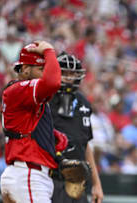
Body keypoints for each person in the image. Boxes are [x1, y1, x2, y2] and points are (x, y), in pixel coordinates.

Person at [0, 41, 68, 203]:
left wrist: (50, 138)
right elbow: (53, 82)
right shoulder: (19, 88)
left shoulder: (25, 96)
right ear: (24, 70)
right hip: (28, 176)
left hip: (26, 175)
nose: (45, 73)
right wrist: (49, 50)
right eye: (40, 69)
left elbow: (25, 127)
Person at [49, 52, 104, 203]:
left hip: (78, 182)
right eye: (64, 73)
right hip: (51, 178)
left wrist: (97, 184)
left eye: (72, 73)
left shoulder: (83, 102)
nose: (68, 78)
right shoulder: (44, 100)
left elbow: (85, 144)